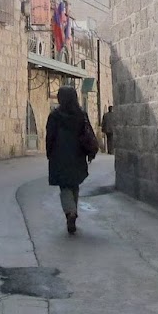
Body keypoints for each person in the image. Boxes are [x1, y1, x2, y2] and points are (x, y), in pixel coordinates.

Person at [46, 86, 97, 234]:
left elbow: (50, 136)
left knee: (65, 186)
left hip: (59, 154)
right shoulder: (81, 115)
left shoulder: (55, 116)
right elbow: (88, 134)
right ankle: (73, 210)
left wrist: (49, 153)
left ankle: (70, 212)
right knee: (74, 183)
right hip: (78, 154)